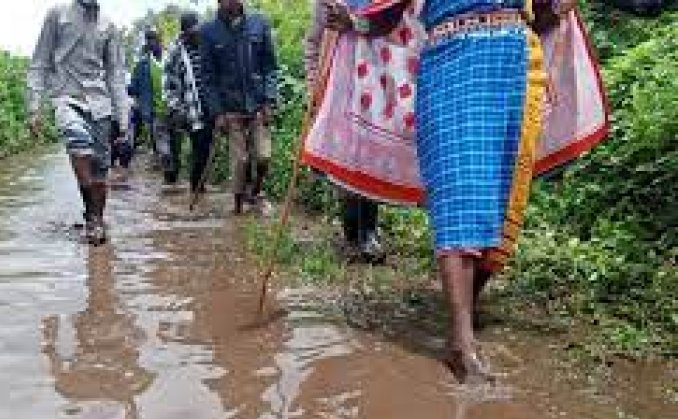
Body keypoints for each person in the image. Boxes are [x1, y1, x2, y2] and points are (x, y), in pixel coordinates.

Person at [312, 0, 608, 383]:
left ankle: (464, 304)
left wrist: (557, 7)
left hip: (513, 62)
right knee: (456, 193)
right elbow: (387, 11)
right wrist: (351, 20)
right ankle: (461, 343)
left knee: (497, 200)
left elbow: (545, 12)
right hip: (448, 61)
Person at [27, 0, 129, 244]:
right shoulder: (57, 16)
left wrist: (122, 116)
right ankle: (92, 217)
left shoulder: (108, 26)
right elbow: (39, 63)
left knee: (101, 171)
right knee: (79, 145)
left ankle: (97, 219)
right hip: (66, 97)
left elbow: (115, 73)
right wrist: (34, 107)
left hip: (100, 103)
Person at [304, 0, 399, 263]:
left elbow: (386, 28)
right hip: (339, 89)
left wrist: (356, 23)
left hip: (372, 86)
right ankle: (351, 234)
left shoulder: (381, 2)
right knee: (344, 159)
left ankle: (368, 232)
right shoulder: (328, 3)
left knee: (368, 160)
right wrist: (313, 84)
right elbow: (313, 42)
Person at [200, 0, 279, 214]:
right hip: (230, 108)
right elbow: (208, 78)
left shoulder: (259, 22)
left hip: (257, 104)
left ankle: (255, 192)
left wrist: (269, 100)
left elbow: (270, 67)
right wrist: (217, 113)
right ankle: (237, 209)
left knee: (263, 156)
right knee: (240, 161)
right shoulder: (208, 32)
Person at [163, 12, 214, 194]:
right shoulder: (176, 51)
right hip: (190, 108)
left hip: (211, 106)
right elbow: (168, 83)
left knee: (206, 149)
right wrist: (175, 107)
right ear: (184, 32)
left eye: (197, 31)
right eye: (192, 32)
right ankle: (196, 187)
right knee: (199, 148)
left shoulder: (207, 45)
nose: (196, 35)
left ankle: (200, 184)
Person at [129, 31, 170, 178]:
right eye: (149, 41)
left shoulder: (172, 59)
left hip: (176, 111)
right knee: (163, 146)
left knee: (174, 147)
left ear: (161, 41)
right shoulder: (142, 65)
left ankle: (171, 175)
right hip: (155, 113)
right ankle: (167, 174)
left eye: (155, 40)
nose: (152, 44)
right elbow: (133, 87)